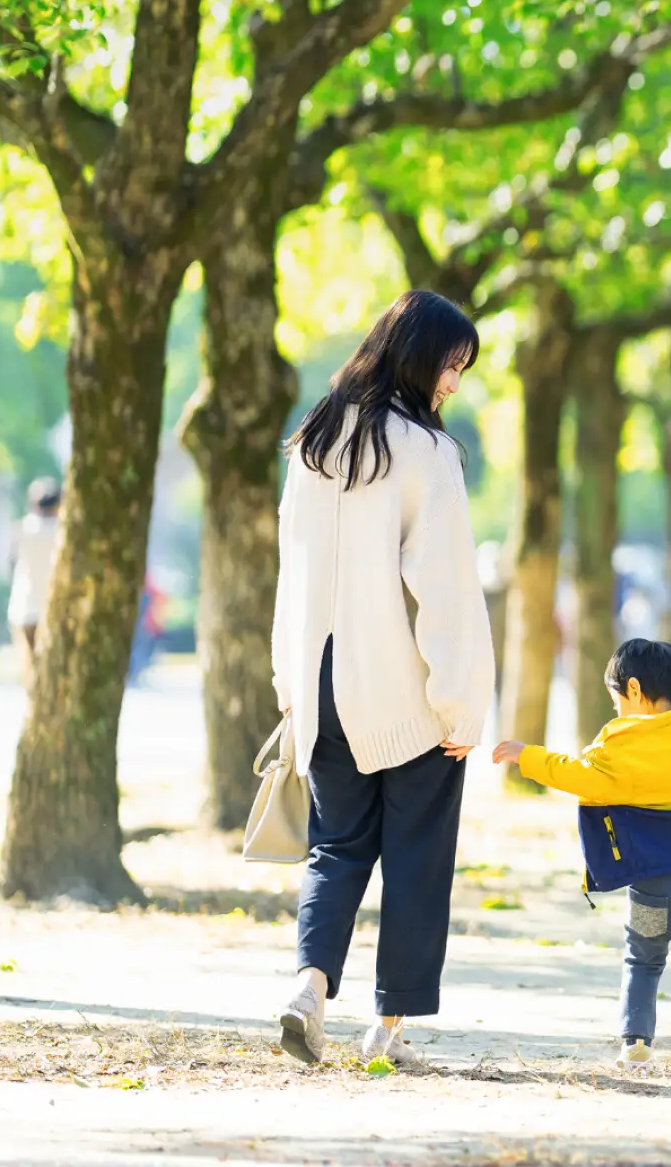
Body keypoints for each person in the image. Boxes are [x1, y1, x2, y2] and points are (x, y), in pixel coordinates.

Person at [268, 290, 495, 1069]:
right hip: (403, 687)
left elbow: (288, 576)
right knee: (418, 854)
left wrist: (288, 686)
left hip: (321, 681)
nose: (453, 384)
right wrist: (462, 704)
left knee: (335, 849)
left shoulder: (311, 444)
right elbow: (447, 589)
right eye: (451, 364)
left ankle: (309, 988)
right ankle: (388, 1028)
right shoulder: (425, 451)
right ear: (418, 356)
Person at [491, 638, 671, 1077]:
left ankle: (635, 1047)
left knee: (643, 961)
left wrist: (527, 756)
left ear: (633, 689)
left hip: (652, 884)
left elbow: (576, 775)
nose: (615, 710)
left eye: (616, 698)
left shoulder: (618, 746)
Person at [5, 479, 56, 677]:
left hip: (23, 607)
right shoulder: (61, 532)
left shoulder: (21, 529)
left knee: (30, 669)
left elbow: (11, 564)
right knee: (48, 670)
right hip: (50, 609)